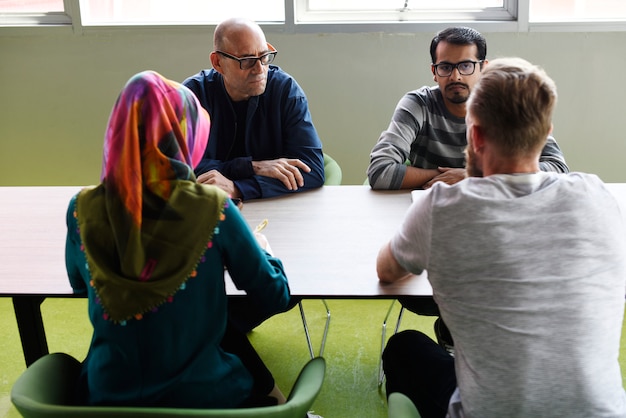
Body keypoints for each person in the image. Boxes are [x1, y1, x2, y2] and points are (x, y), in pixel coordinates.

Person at [377, 57, 626, 418]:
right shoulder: (598, 195)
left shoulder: (442, 207)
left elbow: (387, 271)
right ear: (546, 131)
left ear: (475, 135)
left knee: (405, 348)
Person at [65, 71, 292, 408]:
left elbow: (81, 286)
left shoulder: (82, 207)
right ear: (181, 136)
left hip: (108, 396)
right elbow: (274, 296)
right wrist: (262, 250)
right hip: (204, 396)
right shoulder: (213, 208)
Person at [367, 26, 570, 349]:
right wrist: (440, 176)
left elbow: (557, 169)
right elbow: (380, 172)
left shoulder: (503, 107)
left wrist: (468, 177)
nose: (455, 76)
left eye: (465, 66)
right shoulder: (418, 104)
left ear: (482, 68)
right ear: (434, 72)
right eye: (445, 67)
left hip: (496, 232)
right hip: (431, 233)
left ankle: (459, 338)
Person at [183, 17, 325, 201]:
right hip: (207, 211)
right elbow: (181, 168)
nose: (259, 69)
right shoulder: (192, 96)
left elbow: (311, 169)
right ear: (218, 62)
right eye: (247, 60)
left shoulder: (285, 91)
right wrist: (252, 167)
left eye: (264, 57)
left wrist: (238, 188)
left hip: (274, 212)